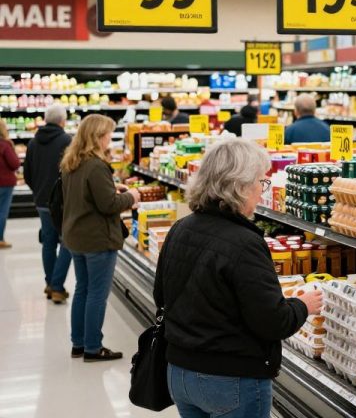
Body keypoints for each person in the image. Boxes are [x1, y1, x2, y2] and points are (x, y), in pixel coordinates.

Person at [154, 139, 322, 418]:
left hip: (179, 373)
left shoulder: (180, 228)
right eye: (260, 182)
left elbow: (161, 296)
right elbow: (273, 321)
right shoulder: (244, 243)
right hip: (230, 379)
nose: (261, 190)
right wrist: (303, 304)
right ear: (240, 186)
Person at [61, 114, 140, 362]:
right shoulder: (96, 165)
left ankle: (79, 344)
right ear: (97, 137)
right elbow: (108, 205)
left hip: (76, 234)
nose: (109, 139)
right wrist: (133, 196)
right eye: (108, 134)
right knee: (97, 294)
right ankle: (93, 348)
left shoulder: (72, 161)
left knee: (82, 290)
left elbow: (86, 195)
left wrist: (111, 188)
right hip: (97, 238)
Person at [23, 105, 73, 303]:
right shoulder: (67, 141)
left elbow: (27, 173)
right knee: (68, 243)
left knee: (48, 242)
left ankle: (49, 282)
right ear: (62, 121)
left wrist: (38, 190)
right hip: (61, 202)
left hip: (42, 201)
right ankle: (57, 286)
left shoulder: (33, 142)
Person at [0, 118, 20, 249]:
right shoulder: (4, 145)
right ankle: (0, 239)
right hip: (5, 183)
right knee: (2, 212)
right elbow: (15, 163)